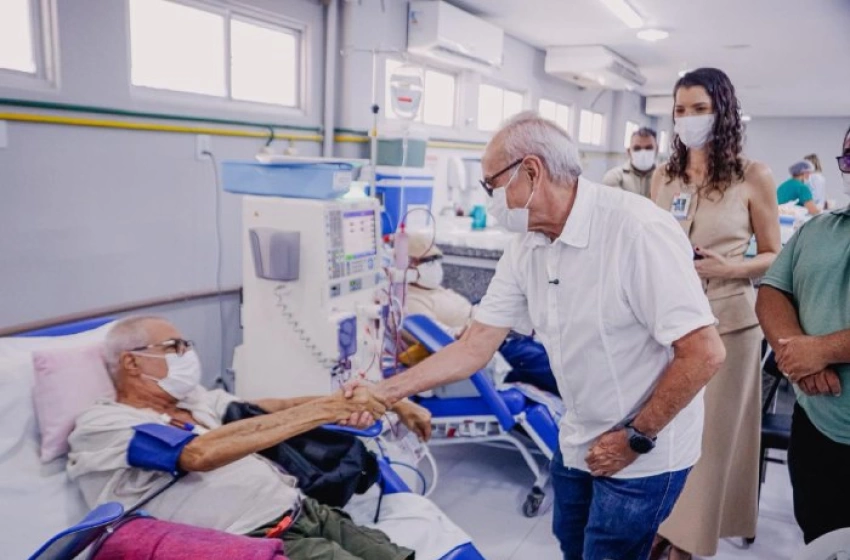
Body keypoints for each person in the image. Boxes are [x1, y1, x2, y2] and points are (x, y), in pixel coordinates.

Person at [369, 111, 727, 560]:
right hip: (577, 435)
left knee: (610, 553)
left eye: (490, 185)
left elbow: (704, 353)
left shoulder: (636, 231)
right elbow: (475, 346)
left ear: (531, 172)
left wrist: (634, 437)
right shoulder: (527, 247)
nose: (491, 199)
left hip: (644, 449)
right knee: (570, 543)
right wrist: (382, 393)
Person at [67, 316, 432, 560]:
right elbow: (196, 454)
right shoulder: (104, 424)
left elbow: (273, 408)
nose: (187, 355)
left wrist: (387, 399)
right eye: (174, 347)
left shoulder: (196, 402)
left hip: (305, 511)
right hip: (261, 537)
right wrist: (330, 409)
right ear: (131, 363)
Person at [650, 67, 781, 560]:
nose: (688, 119)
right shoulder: (666, 176)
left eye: (699, 109)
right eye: (680, 110)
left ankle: (688, 543)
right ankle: (664, 525)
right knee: (664, 432)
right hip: (667, 325)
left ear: (722, 111)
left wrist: (733, 266)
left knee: (709, 442)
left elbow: (774, 253)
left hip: (728, 324)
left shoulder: (754, 176)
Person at [755, 125, 850, 544]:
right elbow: (773, 291)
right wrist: (796, 354)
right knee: (821, 535)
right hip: (818, 426)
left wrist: (823, 350)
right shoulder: (819, 230)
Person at [406, 231, 559, 396]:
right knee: (552, 367)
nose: (434, 265)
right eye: (427, 261)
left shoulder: (432, 289)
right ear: (407, 267)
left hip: (492, 331)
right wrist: (475, 330)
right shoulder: (412, 301)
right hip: (490, 348)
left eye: (436, 259)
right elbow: (438, 338)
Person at [602, 127, 658, 198]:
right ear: (629, 151)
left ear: (657, 150)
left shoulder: (666, 179)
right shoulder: (614, 177)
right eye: (637, 148)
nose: (643, 153)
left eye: (648, 148)